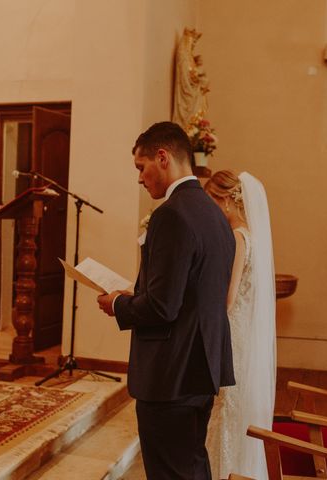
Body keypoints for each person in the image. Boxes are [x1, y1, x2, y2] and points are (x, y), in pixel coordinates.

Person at [96, 122, 235, 480]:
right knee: (190, 464)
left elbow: (162, 307)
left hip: (171, 374)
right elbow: (188, 293)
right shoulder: (214, 214)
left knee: (170, 472)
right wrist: (139, 295)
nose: (140, 178)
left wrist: (117, 304)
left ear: (162, 157)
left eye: (141, 168)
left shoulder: (171, 214)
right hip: (201, 365)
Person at [203, 170, 276, 480]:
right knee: (234, 408)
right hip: (246, 335)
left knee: (226, 409)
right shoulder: (255, 238)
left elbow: (228, 298)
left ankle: (224, 473)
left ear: (227, 202)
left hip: (231, 335)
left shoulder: (237, 237)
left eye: (212, 204)